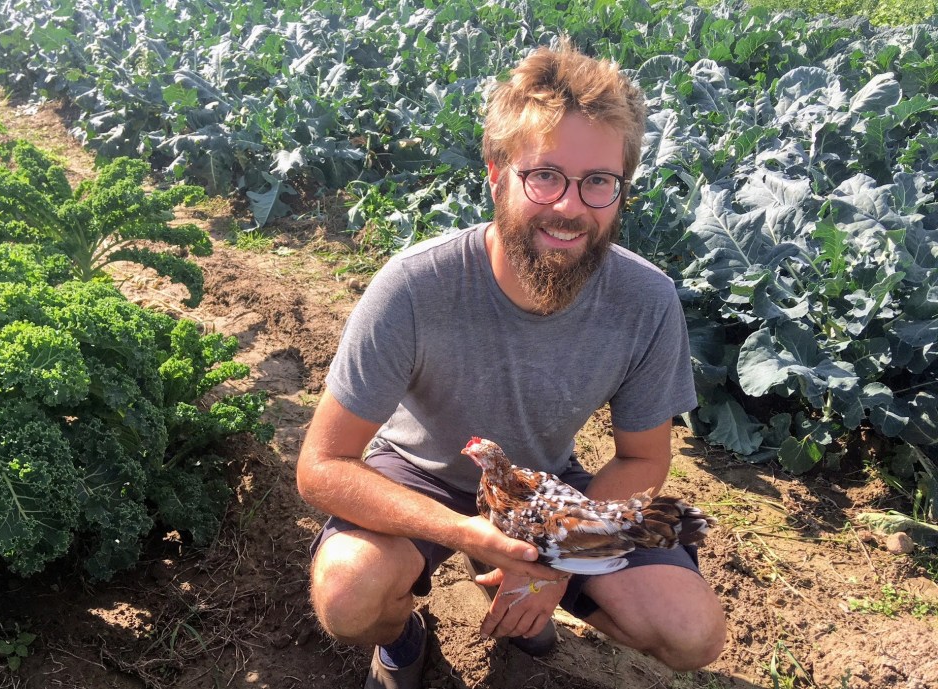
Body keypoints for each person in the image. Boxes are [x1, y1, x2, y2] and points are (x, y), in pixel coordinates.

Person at [296, 40, 726, 689]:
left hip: (546, 487)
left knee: (691, 632)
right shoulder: (415, 286)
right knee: (349, 595)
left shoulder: (646, 299)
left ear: (621, 189)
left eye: (598, 181)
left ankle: (522, 580)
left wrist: (553, 554)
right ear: (497, 173)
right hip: (418, 475)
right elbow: (320, 466)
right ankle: (407, 633)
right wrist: (474, 530)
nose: (571, 206)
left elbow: (644, 459)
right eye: (544, 174)